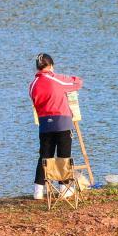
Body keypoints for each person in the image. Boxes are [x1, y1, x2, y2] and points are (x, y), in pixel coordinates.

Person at [29, 53, 82, 200]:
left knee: (45, 157)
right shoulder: (56, 79)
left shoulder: (32, 85)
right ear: (51, 66)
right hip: (62, 122)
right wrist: (70, 78)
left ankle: (38, 191)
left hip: (45, 124)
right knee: (63, 156)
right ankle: (64, 189)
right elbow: (77, 83)